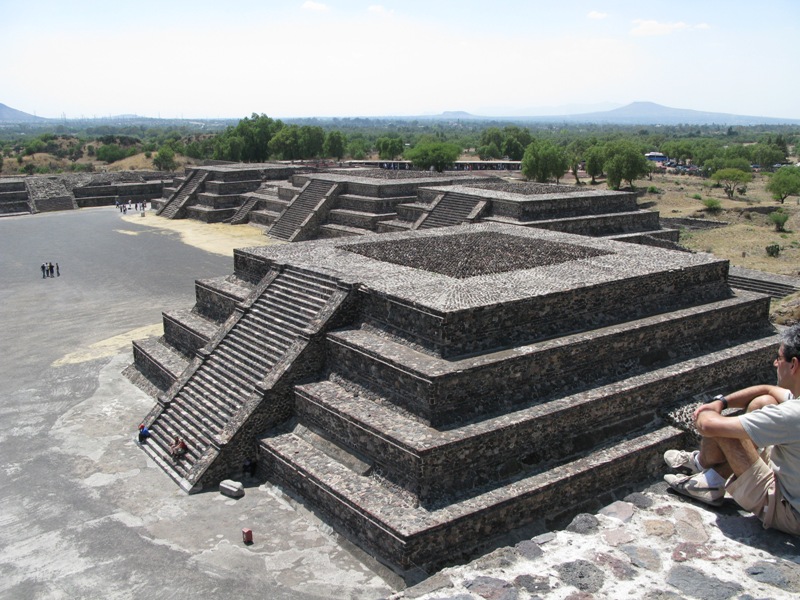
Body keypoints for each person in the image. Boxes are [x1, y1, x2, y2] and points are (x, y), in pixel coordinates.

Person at [663, 324, 800, 535]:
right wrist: (722, 402)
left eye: (779, 358)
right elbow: (767, 389)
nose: (775, 363)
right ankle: (706, 470)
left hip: (788, 510)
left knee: (728, 430)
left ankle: (706, 471)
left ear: (794, 365)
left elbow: (708, 426)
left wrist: (707, 410)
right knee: (763, 402)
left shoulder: (792, 414)